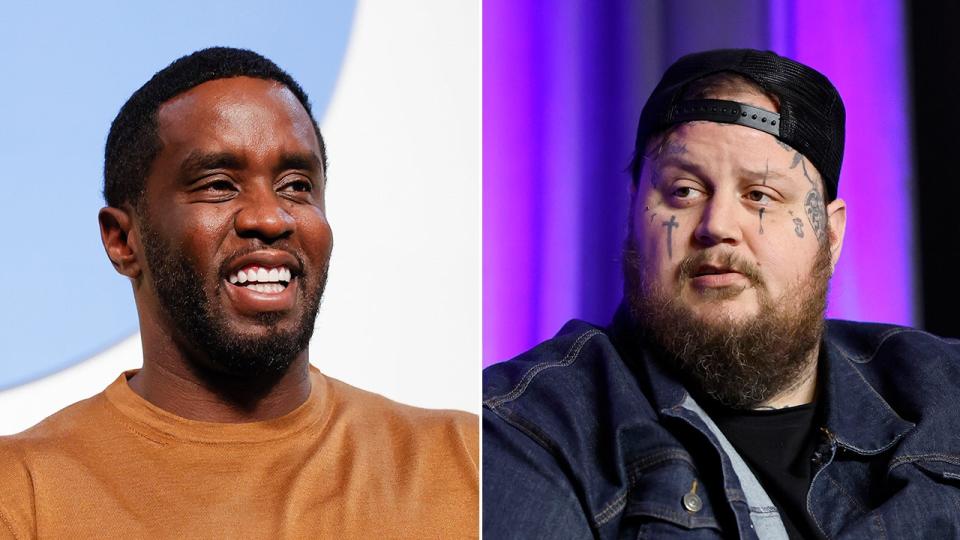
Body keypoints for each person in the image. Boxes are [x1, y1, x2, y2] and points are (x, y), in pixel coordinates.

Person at [483, 48, 960, 539]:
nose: (717, 226)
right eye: (683, 191)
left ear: (831, 235)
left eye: (760, 195)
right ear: (633, 215)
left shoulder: (945, 392)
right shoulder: (531, 428)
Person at [0, 47, 477, 538]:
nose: (271, 219)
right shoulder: (21, 493)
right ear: (123, 240)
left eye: (296, 185)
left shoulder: (467, 461)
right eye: (219, 185)